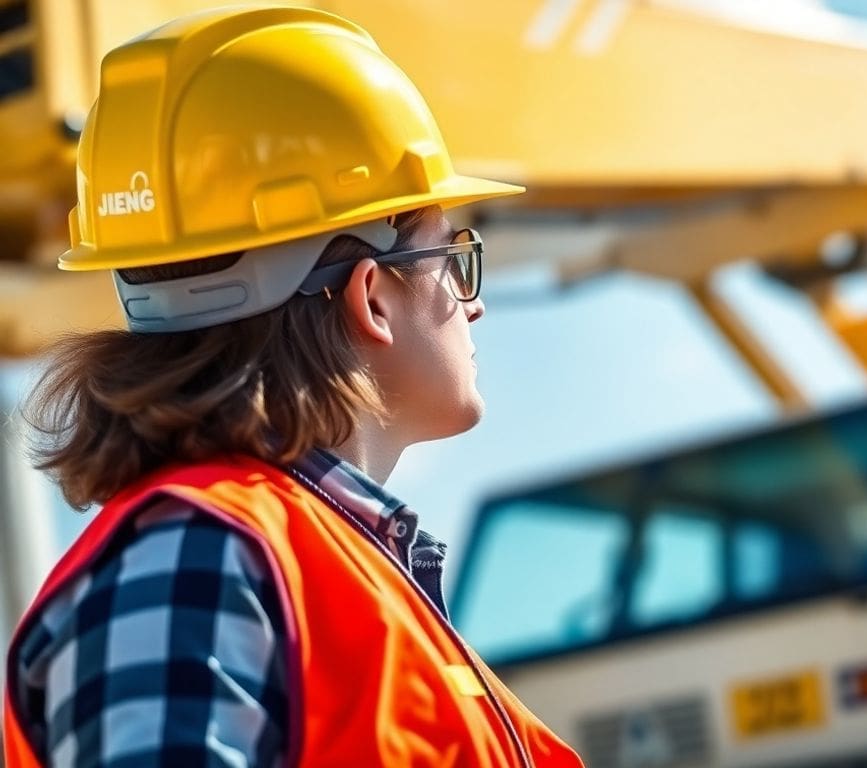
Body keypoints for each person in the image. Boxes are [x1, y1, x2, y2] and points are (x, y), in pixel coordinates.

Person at [2, 6, 583, 767]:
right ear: (372, 295)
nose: (472, 301)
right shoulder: (198, 561)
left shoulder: (294, 566)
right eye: (453, 256)